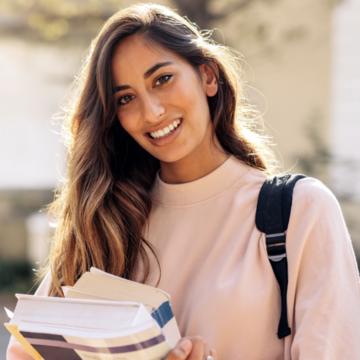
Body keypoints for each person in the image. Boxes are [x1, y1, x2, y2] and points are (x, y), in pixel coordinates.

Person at [7, 3, 360, 359]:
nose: (152, 112)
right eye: (126, 98)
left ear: (207, 76)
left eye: (162, 79)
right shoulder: (104, 221)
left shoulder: (299, 212)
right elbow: (25, 352)